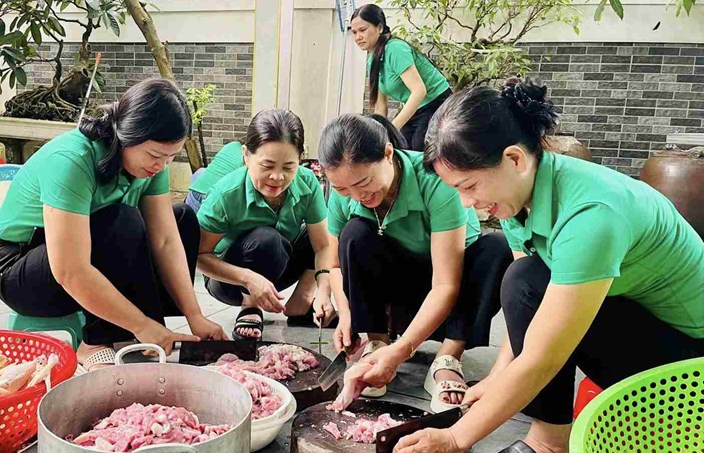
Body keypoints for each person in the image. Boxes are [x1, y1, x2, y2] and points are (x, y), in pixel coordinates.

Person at [390, 77, 704, 453]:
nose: (468, 203)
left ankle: (553, 450)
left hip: (688, 373)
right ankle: (549, 441)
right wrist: (497, 378)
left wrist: (455, 438)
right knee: (523, 277)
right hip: (642, 326)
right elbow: (524, 303)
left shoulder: (591, 213)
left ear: (514, 159)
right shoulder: (521, 196)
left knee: (528, 286)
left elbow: (542, 355)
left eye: (469, 186)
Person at [0, 78, 226, 372]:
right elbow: (70, 270)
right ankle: (94, 343)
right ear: (127, 135)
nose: (161, 166)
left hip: (84, 253)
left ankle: (141, 327)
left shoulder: (154, 166)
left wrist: (195, 316)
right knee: (120, 220)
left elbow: (165, 239)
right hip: (22, 269)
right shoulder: (72, 159)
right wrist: (142, 325)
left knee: (182, 219)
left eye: (170, 157)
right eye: (155, 155)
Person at [320, 113, 512, 407]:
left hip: (453, 293)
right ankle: (377, 344)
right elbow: (334, 265)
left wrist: (403, 351)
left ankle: (448, 358)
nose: (357, 196)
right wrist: (346, 314)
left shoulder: (435, 181)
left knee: (496, 248)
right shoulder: (345, 196)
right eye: (343, 189)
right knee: (355, 233)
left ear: (388, 153)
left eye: (364, 182)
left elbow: (446, 284)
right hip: (398, 296)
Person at [196, 109, 337, 340]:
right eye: (267, 166)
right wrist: (248, 278)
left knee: (329, 234)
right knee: (266, 239)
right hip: (229, 281)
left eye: (288, 167)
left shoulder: (307, 182)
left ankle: (302, 301)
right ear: (246, 155)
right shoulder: (226, 193)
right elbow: (200, 257)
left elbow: (323, 246)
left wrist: (323, 290)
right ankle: (250, 306)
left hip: (276, 271)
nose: (277, 177)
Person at [350, 4, 452, 152]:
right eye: (354, 32)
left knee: (419, 149)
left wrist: (392, 129)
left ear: (379, 28)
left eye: (362, 30)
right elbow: (380, 107)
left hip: (436, 103)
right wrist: (380, 134)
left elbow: (419, 90)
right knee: (401, 149)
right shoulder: (372, 60)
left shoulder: (395, 49)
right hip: (416, 109)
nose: (358, 37)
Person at [185, 140, 244, 213]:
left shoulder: (232, 145)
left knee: (201, 171)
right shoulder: (251, 159)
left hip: (194, 194)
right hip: (214, 201)